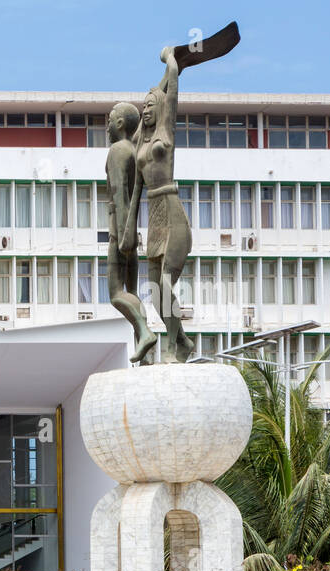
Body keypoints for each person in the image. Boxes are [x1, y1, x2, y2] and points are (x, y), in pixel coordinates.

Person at [134, 46, 195, 363]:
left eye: (150, 106)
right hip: (153, 218)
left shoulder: (164, 133)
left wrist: (171, 59)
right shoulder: (140, 142)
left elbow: (169, 89)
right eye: (142, 106)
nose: (145, 110)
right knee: (155, 289)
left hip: (172, 213)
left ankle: (172, 346)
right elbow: (158, 92)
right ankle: (183, 340)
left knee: (166, 283)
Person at [105, 101, 156, 364]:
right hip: (133, 230)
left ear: (121, 124)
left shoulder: (116, 150)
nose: (107, 125)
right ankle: (144, 351)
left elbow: (119, 194)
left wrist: (121, 233)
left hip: (120, 229)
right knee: (132, 293)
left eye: (110, 119)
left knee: (116, 293)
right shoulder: (134, 151)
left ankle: (145, 331)